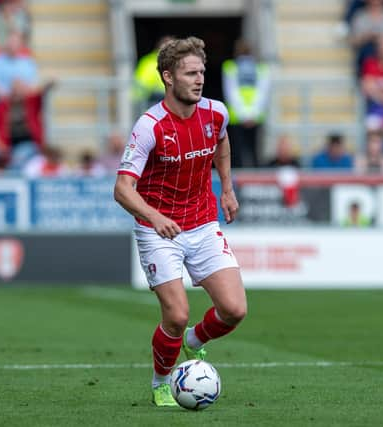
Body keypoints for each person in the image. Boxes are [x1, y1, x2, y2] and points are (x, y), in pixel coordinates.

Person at [113, 36, 246, 408]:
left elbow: (221, 143)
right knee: (176, 313)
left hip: (203, 222)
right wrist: (155, 218)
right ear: (168, 77)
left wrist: (227, 190)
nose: (199, 79)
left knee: (234, 310)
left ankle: (194, 342)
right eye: (191, 73)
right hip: (159, 229)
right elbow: (123, 188)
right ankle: (160, 382)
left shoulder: (216, 112)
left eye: (202, 71)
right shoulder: (149, 126)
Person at [222, 38, 270, 168]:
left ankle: (238, 183)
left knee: (237, 151)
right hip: (256, 116)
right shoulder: (261, 68)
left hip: (238, 116)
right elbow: (263, 92)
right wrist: (252, 114)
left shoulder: (230, 66)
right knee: (254, 151)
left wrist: (244, 115)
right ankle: (255, 182)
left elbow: (231, 92)